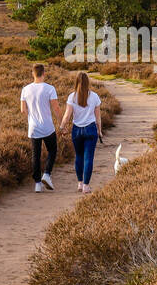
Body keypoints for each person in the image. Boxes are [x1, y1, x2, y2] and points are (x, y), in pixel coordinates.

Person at [59, 71, 103, 194]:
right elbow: (98, 117)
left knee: (79, 156)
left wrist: (62, 128)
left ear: (76, 82)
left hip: (77, 130)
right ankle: (86, 186)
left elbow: (67, 115)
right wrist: (100, 131)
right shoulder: (94, 96)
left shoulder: (72, 97)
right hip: (90, 129)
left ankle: (79, 183)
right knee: (88, 158)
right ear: (88, 83)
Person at [19, 64, 61, 193]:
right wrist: (61, 124)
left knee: (35, 155)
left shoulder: (25, 89)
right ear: (44, 73)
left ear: (33, 73)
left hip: (33, 127)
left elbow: (22, 110)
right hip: (48, 126)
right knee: (52, 150)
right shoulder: (49, 88)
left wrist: (32, 117)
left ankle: (37, 183)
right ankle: (47, 174)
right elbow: (56, 108)